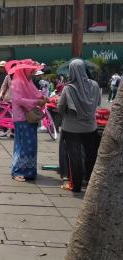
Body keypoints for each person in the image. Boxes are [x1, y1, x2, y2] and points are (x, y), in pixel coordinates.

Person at [58, 59, 101, 192]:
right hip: (90, 127)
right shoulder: (94, 85)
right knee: (90, 155)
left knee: (75, 157)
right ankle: (90, 182)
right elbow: (98, 102)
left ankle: (76, 185)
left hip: (71, 128)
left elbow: (60, 107)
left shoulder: (68, 88)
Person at [10, 60, 47, 182]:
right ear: (25, 71)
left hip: (30, 117)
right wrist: (36, 102)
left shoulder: (28, 82)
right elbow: (19, 100)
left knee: (31, 145)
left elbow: (35, 94)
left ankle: (29, 171)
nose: (32, 74)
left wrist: (42, 98)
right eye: (31, 71)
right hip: (21, 118)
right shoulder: (17, 82)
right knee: (22, 145)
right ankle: (18, 171)